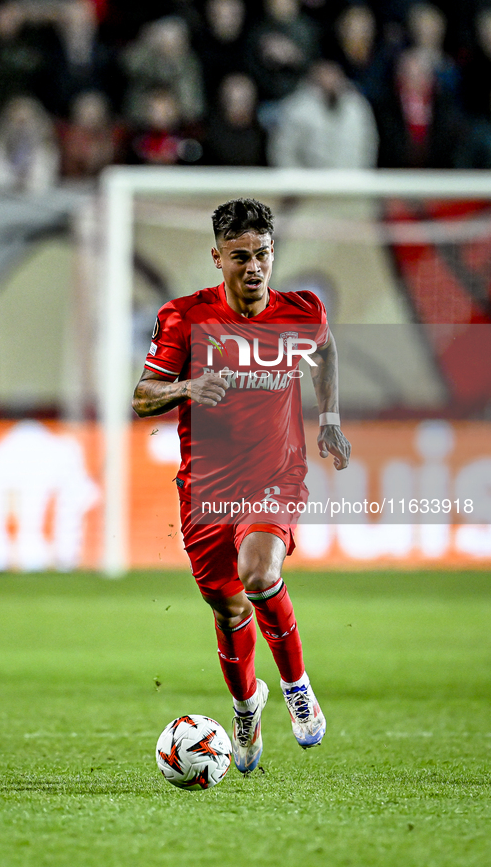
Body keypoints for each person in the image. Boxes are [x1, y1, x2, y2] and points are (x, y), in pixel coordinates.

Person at [132, 198, 351, 772]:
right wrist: (187, 388)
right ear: (217, 257)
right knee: (229, 611)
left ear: (272, 253)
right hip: (205, 488)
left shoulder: (301, 312)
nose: (254, 267)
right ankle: (247, 705)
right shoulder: (185, 319)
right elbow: (141, 397)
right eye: (240, 257)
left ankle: (298, 688)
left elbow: (325, 350)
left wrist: (328, 421)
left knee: (260, 573)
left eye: (263, 254)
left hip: (275, 475)